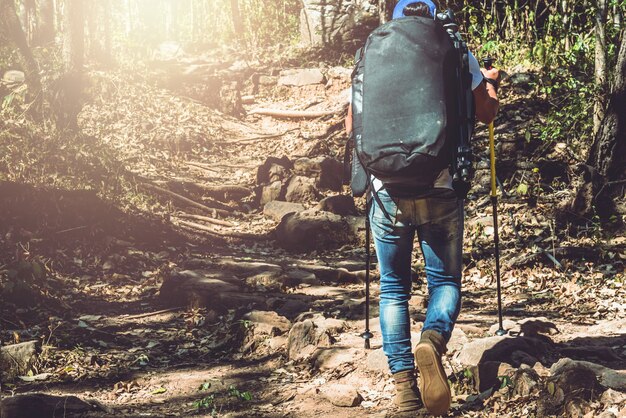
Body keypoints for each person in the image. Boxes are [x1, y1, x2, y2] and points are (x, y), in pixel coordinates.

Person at [345, 1, 500, 415]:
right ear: (432, 13)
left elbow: (351, 125)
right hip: (441, 186)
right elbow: (485, 112)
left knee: (394, 289)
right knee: (445, 282)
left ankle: (406, 393)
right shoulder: (452, 45)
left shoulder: (370, 50)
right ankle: (430, 341)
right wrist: (490, 84)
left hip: (385, 190)